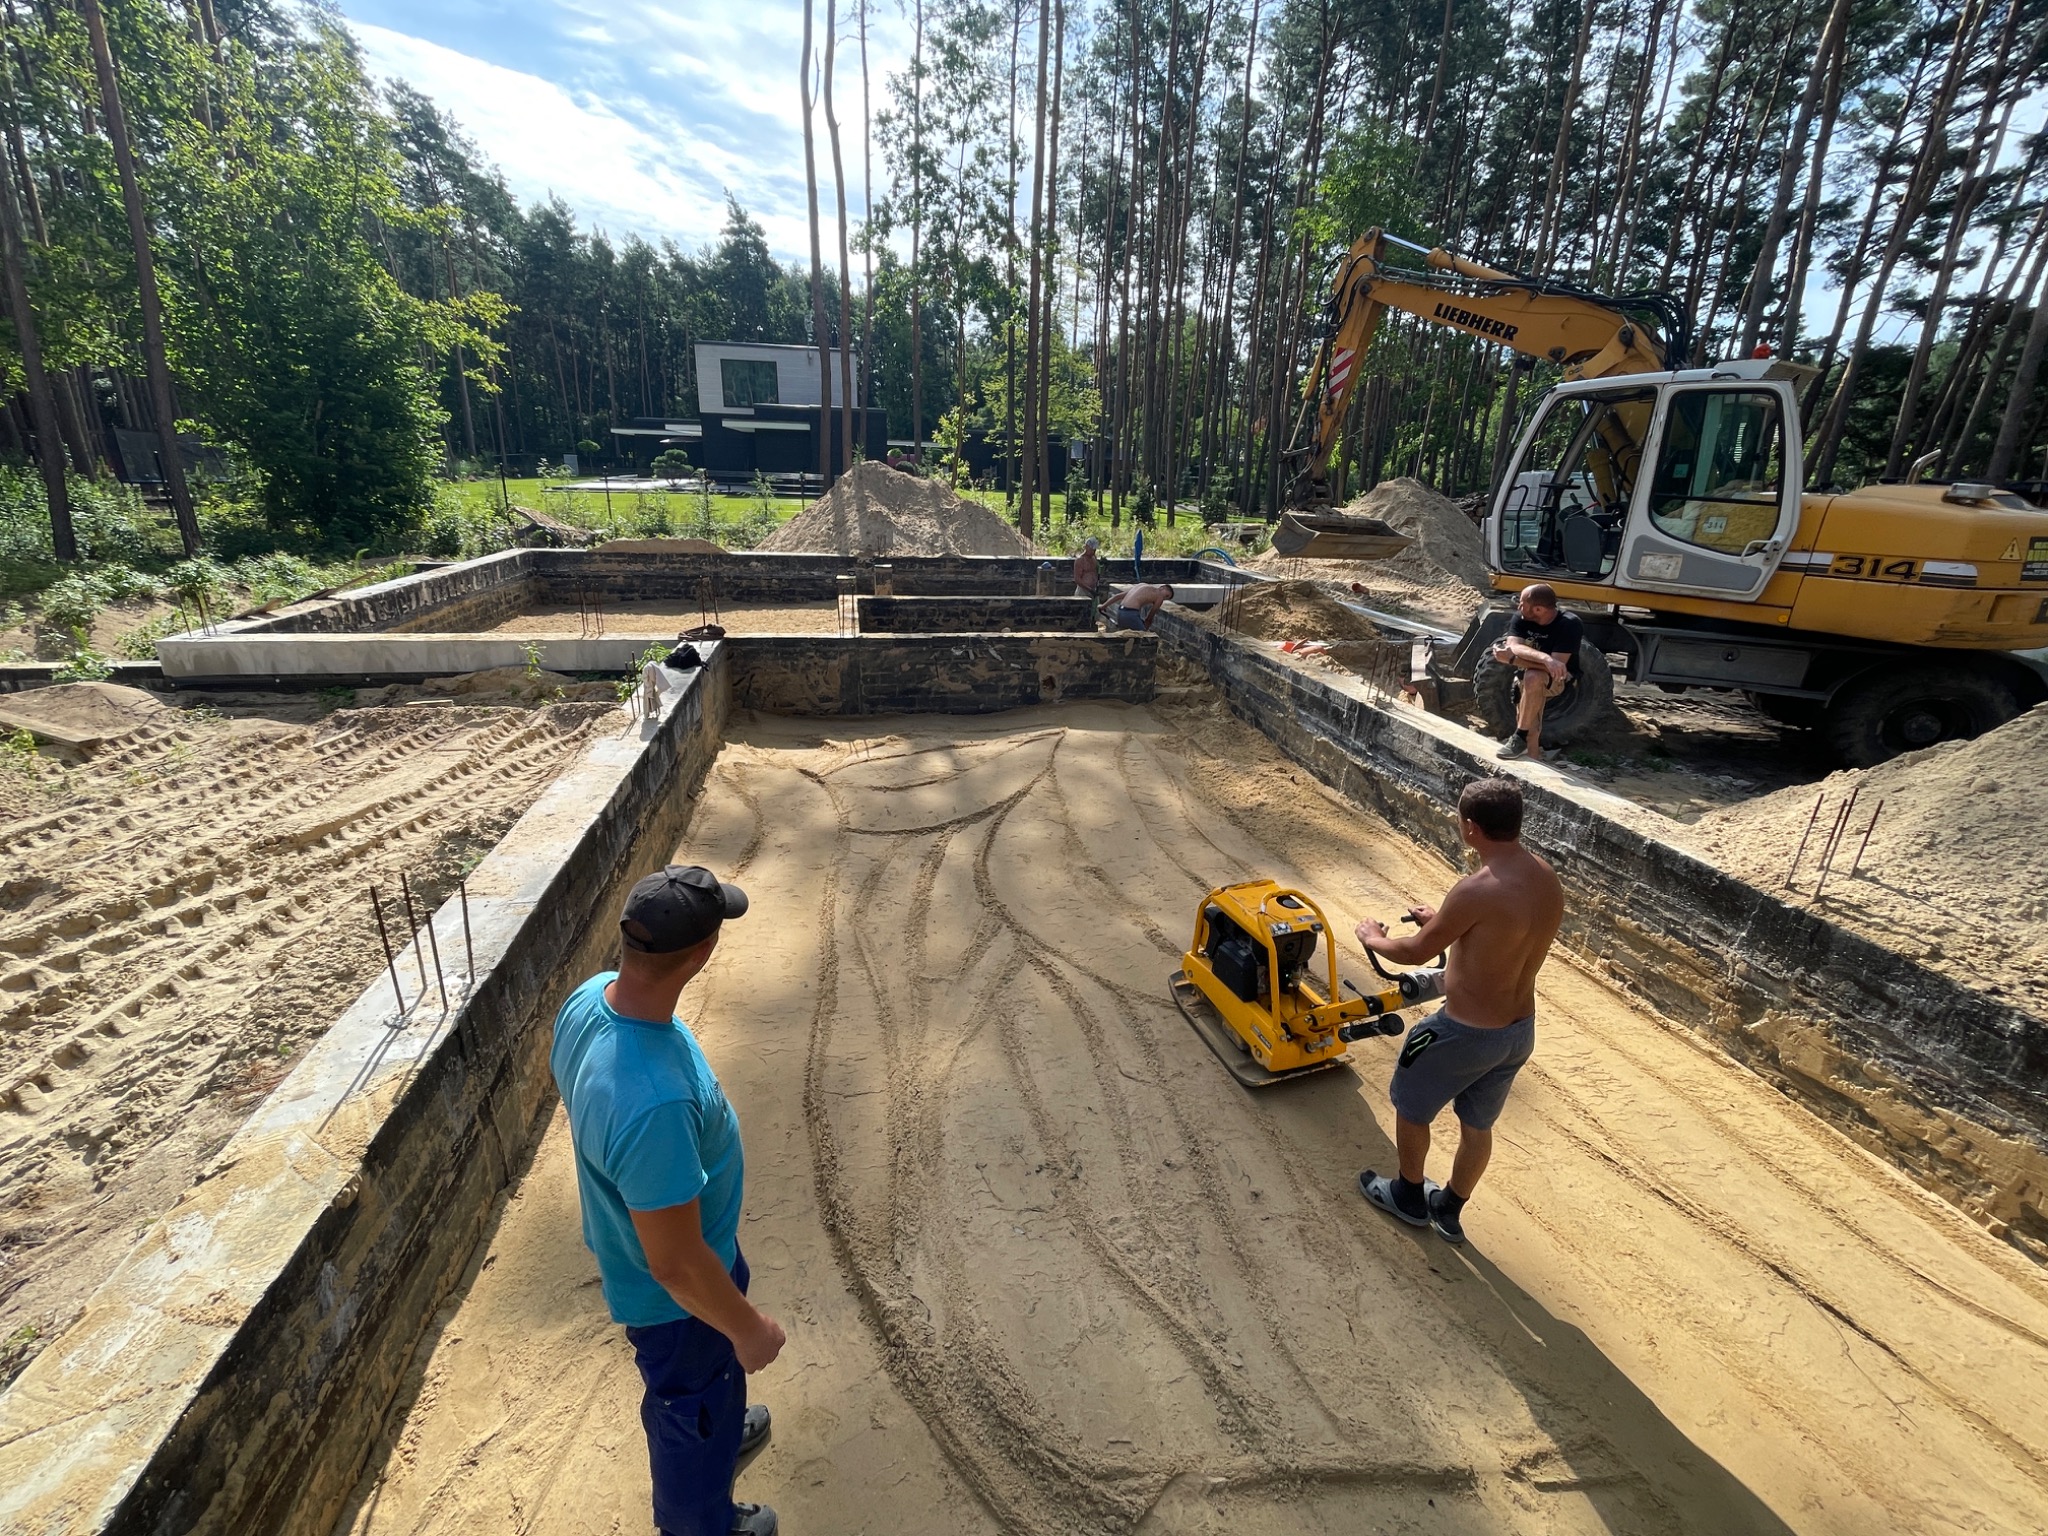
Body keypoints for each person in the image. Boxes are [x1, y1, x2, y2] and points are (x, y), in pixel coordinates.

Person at [551, 866, 785, 1536]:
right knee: (690, 1403)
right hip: (679, 1301)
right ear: (703, 951)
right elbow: (677, 1268)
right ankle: (701, 1520)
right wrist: (747, 1329)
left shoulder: (591, 998)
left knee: (707, 1386)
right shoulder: (652, 1102)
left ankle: (721, 1420)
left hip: (684, 1257)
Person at [1354, 778, 1561, 1245]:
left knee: (1410, 1106)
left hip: (1462, 1033)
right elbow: (1503, 938)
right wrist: (1447, 922)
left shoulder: (1475, 890)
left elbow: (1411, 953)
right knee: (1477, 1124)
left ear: (1470, 827)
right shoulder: (1545, 878)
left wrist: (1372, 937)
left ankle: (1408, 1195)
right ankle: (1449, 1207)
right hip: (1516, 1034)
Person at [1490, 583, 1584, 762]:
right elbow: (1514, 646)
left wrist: (1512, 660)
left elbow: (1558, 668)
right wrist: (1545, 659)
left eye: (1522, 603)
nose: (1518, 607)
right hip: (1527, 674)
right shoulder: (1522, 617)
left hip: (1559, 678)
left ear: (1539, 609)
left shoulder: (1569, 624)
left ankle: (1519, 735)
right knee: (1530, 724)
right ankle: (1532, 764)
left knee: (1534, 677)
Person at [1106, 580, 1174, 631]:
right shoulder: (1160, 597)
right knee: (1142, 638)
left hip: (1120, 611)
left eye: (1166, 598)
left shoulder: (1141, 585)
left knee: (1124, 635)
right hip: (1130, 613)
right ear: (1162, 588)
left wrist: (1103, 606)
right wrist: (1145, 630)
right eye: (1166, 595)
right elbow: (1149, 618)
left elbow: (1118, 596)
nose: (1163, 598)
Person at [1073, 536, 1101, 601]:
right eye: (1091, 549)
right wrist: (1089, 589)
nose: (1093, 551)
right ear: (1086, 547)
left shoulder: (1094, 559)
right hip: (1083, 591)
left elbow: (1097, 572)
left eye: (1094, 550)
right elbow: (1077, 579)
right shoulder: (1080, 560)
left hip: (1094, 590)